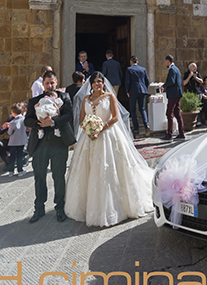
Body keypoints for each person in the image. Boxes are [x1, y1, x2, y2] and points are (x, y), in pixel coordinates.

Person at [64, 72, 155, 226]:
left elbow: (115, 117)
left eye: (100, 81)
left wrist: (101, 128)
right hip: (89, 137)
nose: (97, 84)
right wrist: (88, 129)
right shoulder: (86, 99)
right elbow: (81, 119)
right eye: (94, 82)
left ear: (103, 83)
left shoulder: (110, 97)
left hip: (108, 135)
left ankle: (115, 206)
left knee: (110, 169)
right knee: (87, 169)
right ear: (90, 84)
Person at [25, 71, 76, 222]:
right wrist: (40, 123)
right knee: (39, 176)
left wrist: (53, 122)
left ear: (56, 82)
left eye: (52, 83)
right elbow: (27, 120)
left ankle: (60, 207)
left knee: (58, 176)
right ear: (43, 84)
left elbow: (69, 115)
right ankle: (39, 208)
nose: (50, 86)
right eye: (47, 83)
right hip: (40, 144)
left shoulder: (64, 97)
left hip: (59, 144)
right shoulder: (34, 100)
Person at [125, 56, 150, 137]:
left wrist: (127, 91)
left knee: (133, 110)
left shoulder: (129, 69)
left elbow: (127, 81)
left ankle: (136, 128)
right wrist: (145, 88)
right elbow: (147, 81)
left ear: (131, 62)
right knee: (142, 109)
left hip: (133, 91)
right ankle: (146, 125)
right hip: (142, 91)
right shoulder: (143, 69)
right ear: (137, 62)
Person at [162, 55, 185, 140]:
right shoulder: (177, 69)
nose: (165, 63)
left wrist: (164, 86)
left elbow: (171, 81)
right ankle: (181, 133)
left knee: (169, 113)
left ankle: (169, 134)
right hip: (177, 93)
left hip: (173, 94)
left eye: (165, 62)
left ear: (168, 61)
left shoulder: (172, 69)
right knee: (177, 113)